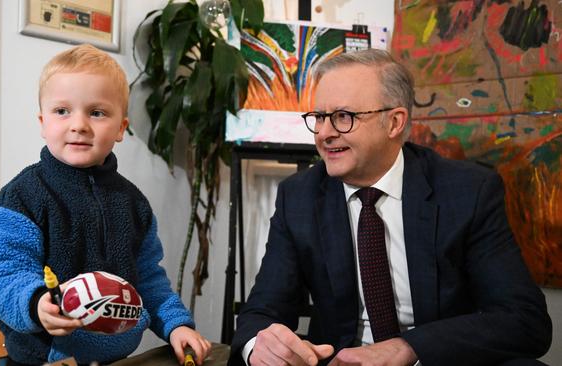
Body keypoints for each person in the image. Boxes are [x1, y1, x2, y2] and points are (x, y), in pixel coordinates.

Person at [228, 49, 552, 366]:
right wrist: (261, 346)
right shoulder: (298, 197)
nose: (324, 133)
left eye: (343, 117)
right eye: (319, 117)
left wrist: (409, 348)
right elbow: (262, 311)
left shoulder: (468, 192)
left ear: (395, 122)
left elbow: (524, 319)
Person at [0, 44, 211, 365]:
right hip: (44, 359)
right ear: (43, 122)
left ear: (120, 128)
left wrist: (175, 325)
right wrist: (36, 304)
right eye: (62, 111)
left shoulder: (134, 204)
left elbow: (148, 280)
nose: (79, 125)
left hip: (117, 359)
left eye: (97, 112)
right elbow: (2, 271)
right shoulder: (22, 196)